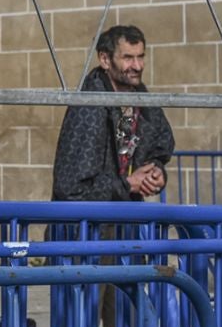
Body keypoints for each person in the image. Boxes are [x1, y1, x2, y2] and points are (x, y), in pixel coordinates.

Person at [51, 25, 174, 202]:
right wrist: (128, 184)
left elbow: (160, 145)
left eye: (141, 56)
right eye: (128, 58)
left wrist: (155, 172)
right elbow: (70, 187)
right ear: (105, 60)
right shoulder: (88, 107)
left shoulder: (144, 103)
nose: (137, 66)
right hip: (85, 227)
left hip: (125, 223)